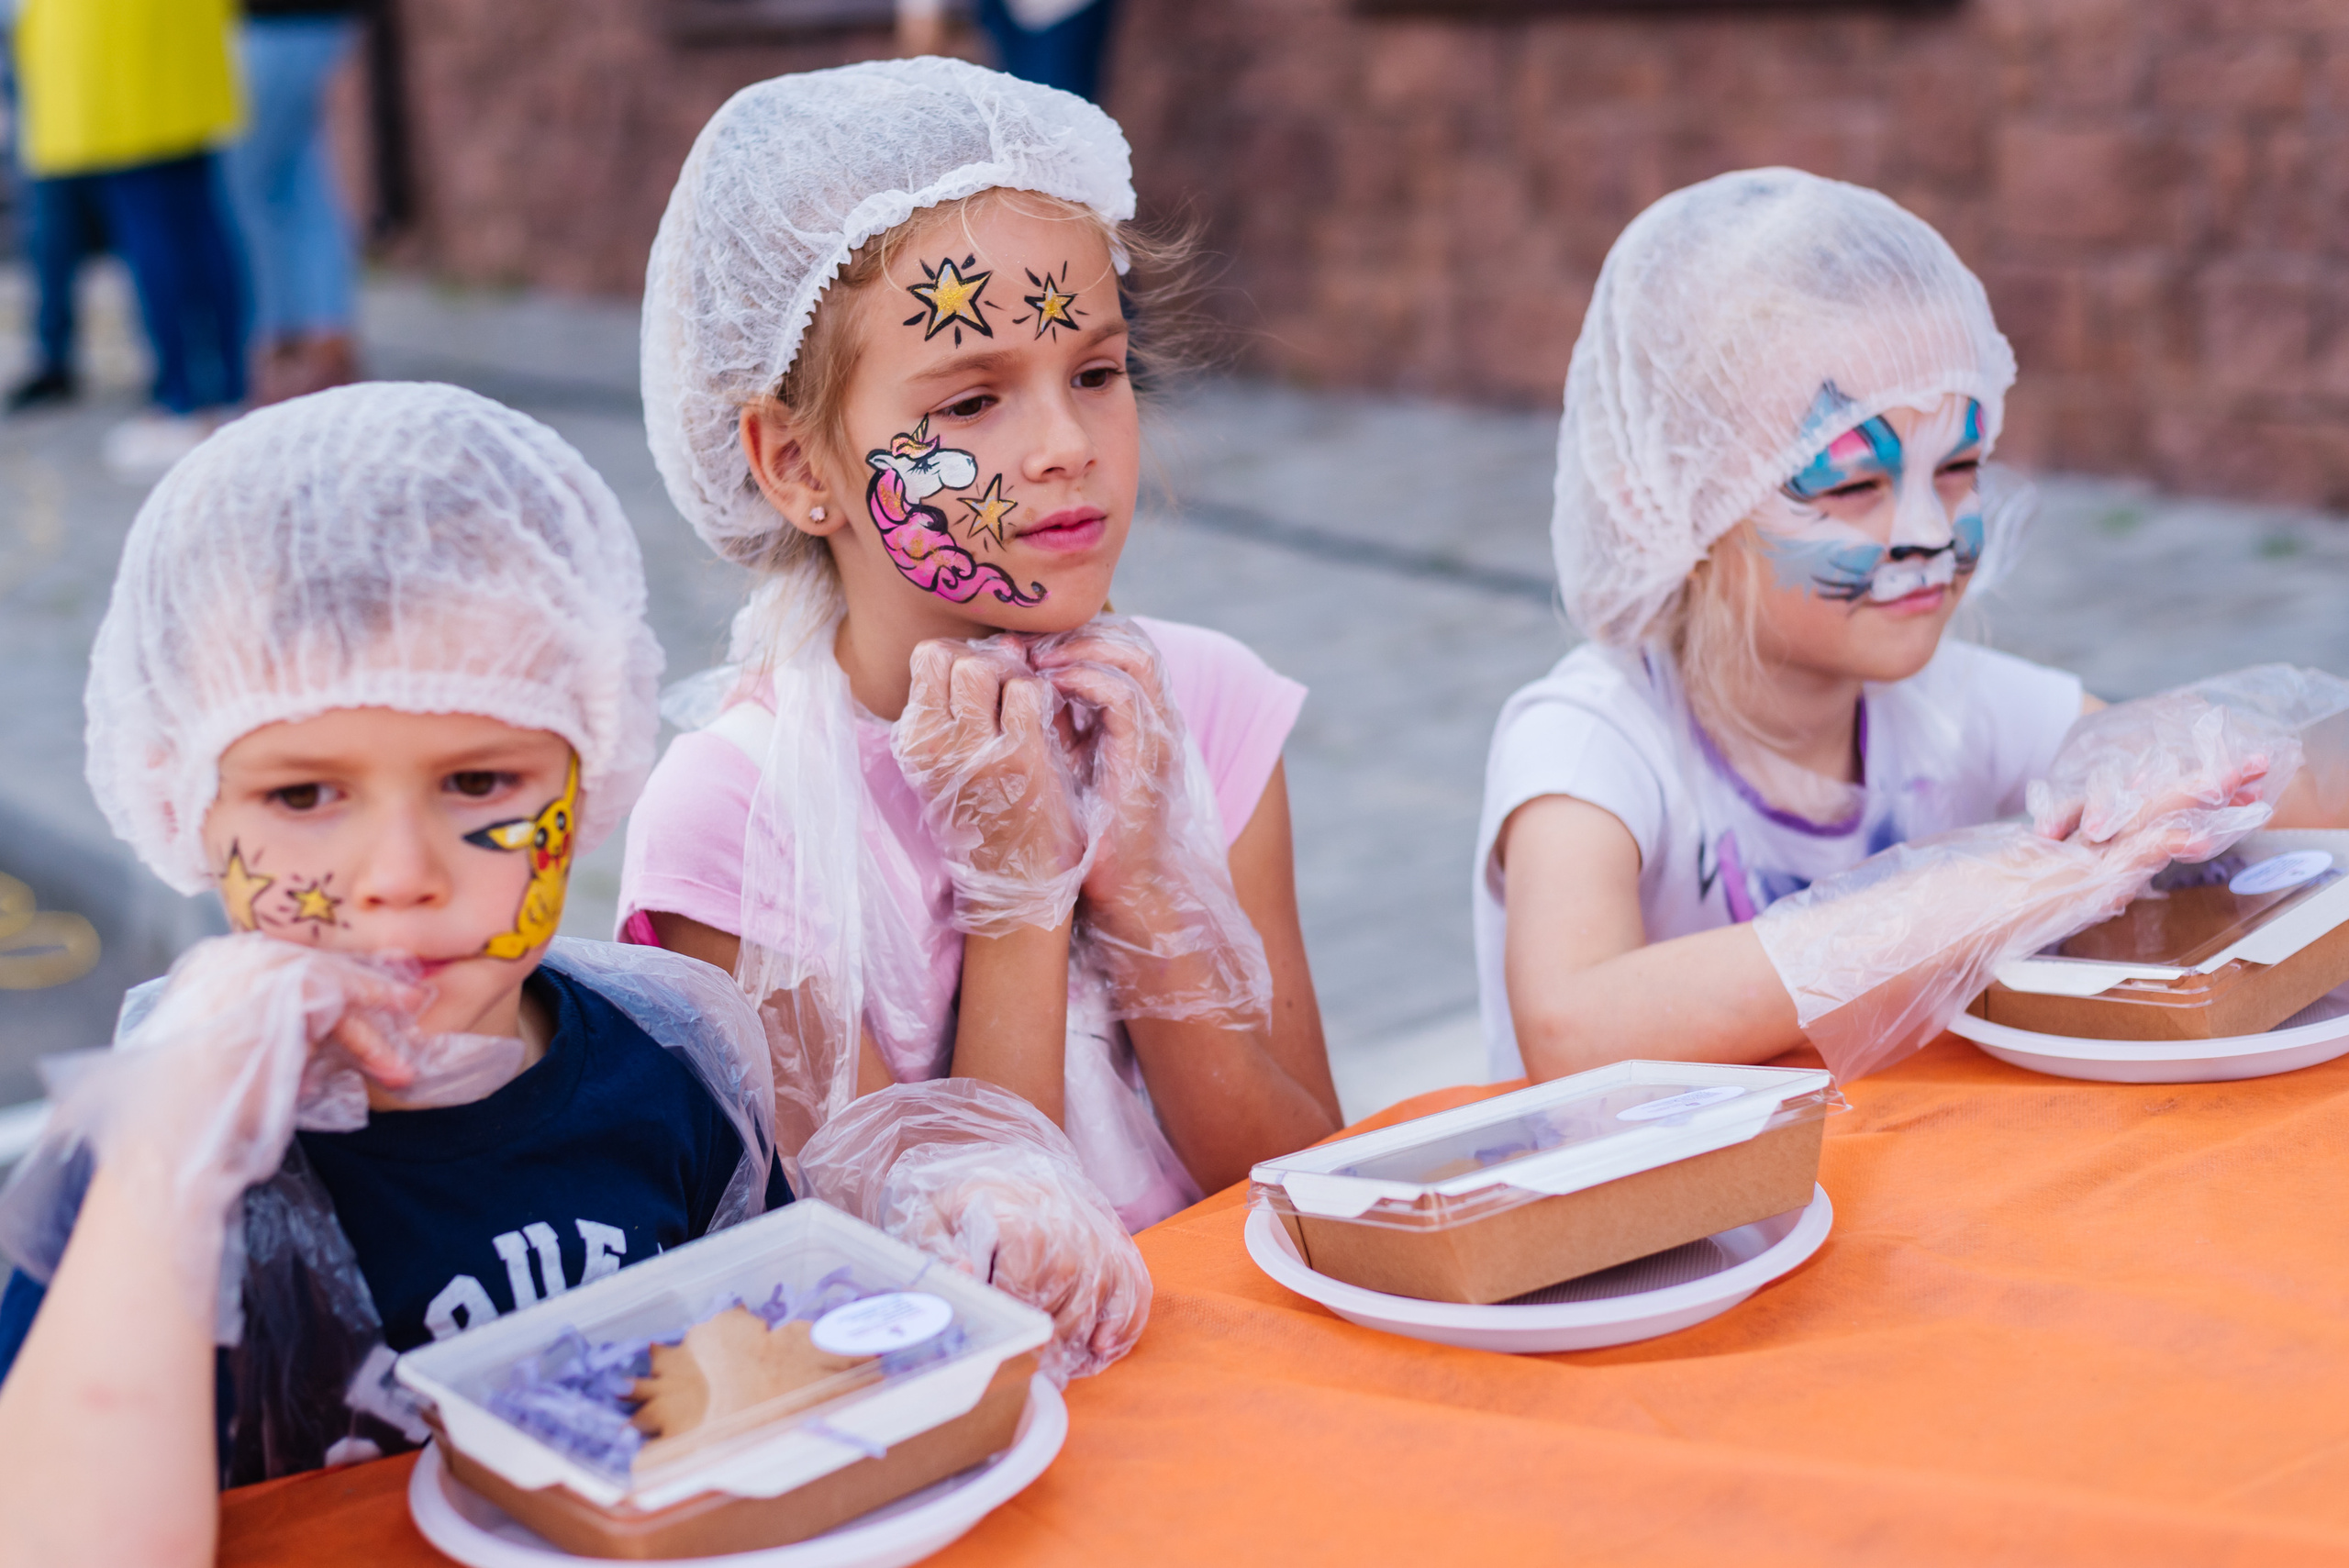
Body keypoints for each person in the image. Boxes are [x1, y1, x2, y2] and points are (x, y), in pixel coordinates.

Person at [0, 383, 786, 1565]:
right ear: (181, 796)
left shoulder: (675, 1060)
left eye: (479, 783)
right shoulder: (148, 1163)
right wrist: (166, 1148)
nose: (398, 876)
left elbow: (778, 1385)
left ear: (596, 762)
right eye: (303, 794)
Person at [626, 59, 1340, 1241]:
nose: (1068, 443)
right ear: (799, 466)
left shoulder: (1205, 704)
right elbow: (950, 1279)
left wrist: (1150, 884)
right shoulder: (738, 819)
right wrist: (1017, 901)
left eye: (1097, 372)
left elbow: (1304, 1182)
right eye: (969, 403)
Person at [1476, 168, 2349, 1087]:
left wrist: (2191, 780)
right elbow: (1572, 1026)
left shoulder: (1949, 706)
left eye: (1960, 466)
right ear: (1666, 501)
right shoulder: (1592, 742)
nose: (1930, 531)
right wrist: (2013, 879)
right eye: (1853, 485)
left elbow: (2295, 805)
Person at [10, 0, 249, 472]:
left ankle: (182, 403)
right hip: (183, 44)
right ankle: (228, 389)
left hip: (111, 54)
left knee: (152, 230)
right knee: (199, 224)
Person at [223, 0, 366, 405]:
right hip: (318, 19)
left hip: (271, 20)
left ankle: (279, 348)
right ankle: (327, 340)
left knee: (250, 187)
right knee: (301, 178)